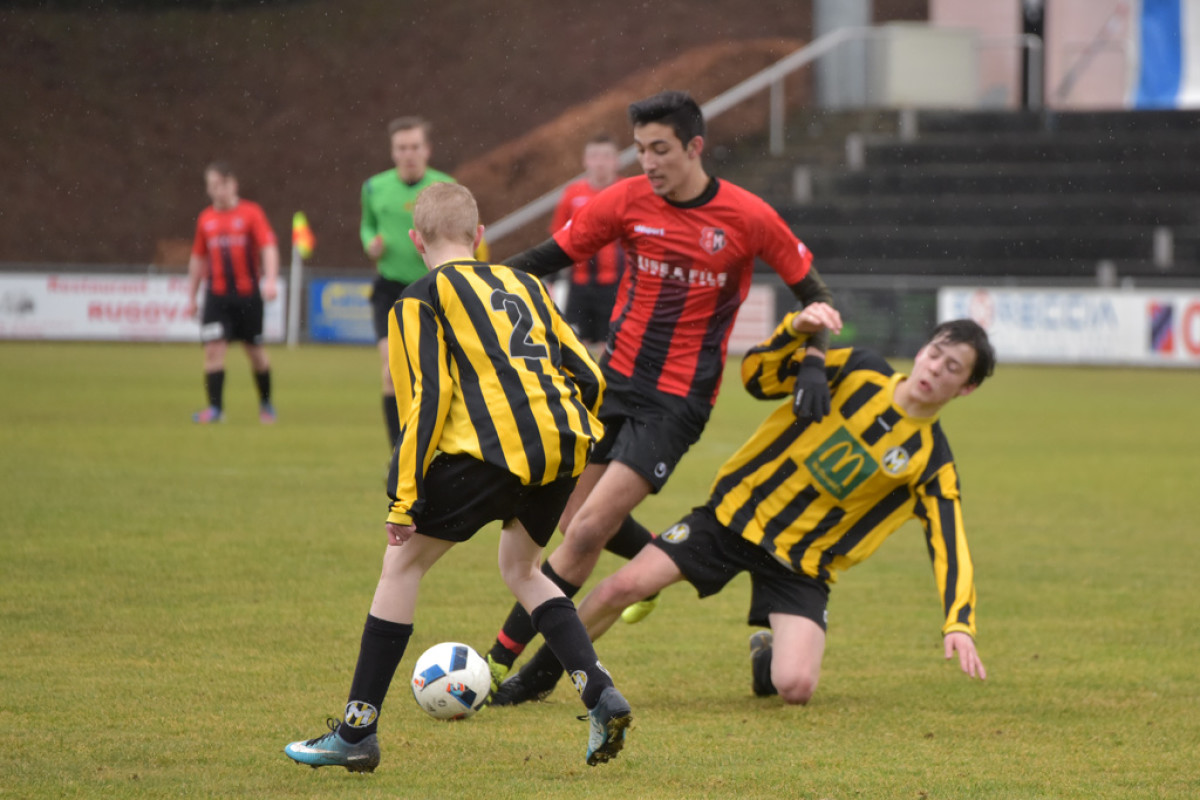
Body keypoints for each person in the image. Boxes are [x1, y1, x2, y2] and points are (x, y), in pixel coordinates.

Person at [485, 90, 841, 702]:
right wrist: (465, 283)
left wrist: (813, 363)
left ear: (694, 147)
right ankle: (657, 558)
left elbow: (819, 297)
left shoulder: (747, 216)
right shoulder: (625, 201)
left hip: (676, 402)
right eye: (641, 149)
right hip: (611, 383)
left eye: (660, 150)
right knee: (572, 520)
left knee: (586, 530)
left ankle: (508, 668)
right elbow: (544, 259)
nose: (648, 162)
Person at [284, 183, 632, 772]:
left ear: (416, 240)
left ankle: (356, 732)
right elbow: (591, 377)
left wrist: (403, 500)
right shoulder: (526, 284)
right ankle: (600, 693)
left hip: (485, 455)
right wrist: (568, 437)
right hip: (560, 449)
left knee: (402, 565)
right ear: (480, 236)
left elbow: (428, 397)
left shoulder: (419, 297)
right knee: (522, 571)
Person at [495, 310, 995, 706]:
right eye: (935, 354)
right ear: (922, 351)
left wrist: (959, 622)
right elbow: (759, 376)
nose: (935, 369)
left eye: (952, 368)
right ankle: (538, 678)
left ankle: (766, 660)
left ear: (966, 388)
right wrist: (794, 330)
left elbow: (950, 545)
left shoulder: (932, 462)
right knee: (619, 588)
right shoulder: (858, 369)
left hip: (800, 564)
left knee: (796, 687)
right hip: (731, 519)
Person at [361, 116, 487, 447]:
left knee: (444, 371)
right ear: (393, 152)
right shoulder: (374, 188)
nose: (409, 154)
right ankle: (399, 451)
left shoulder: (445, 187)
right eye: (402, 148)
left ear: (427, 149)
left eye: (415, 147)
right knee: (391, 371)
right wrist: (370, 241)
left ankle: (447, 443)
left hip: (437, 287)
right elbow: (367, 225)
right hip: (390, 288)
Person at [184, 161, 279, 424]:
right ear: (208, 188)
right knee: (213, 351)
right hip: (217, 297)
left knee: (256, 354)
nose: (219, 190)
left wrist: (271, 279)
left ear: (234, 185)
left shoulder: (251, 213)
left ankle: (266, 404)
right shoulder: (205, 219)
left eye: (223, 184)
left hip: (248, 297)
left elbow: (268, 246)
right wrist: (191, 297)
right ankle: (215, 409)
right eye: (213, 185)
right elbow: (198, 258)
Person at [547, 133, 627, 349]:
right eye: (594, 156)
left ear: (616, 160)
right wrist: (551, 278)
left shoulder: (626, 192)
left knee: (612, 346)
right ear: (585, 161)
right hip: (579, 285)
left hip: (616, 285)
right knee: (575, 345)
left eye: (606, 156)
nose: (600, 163)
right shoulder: (572, 194)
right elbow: (558, 237)